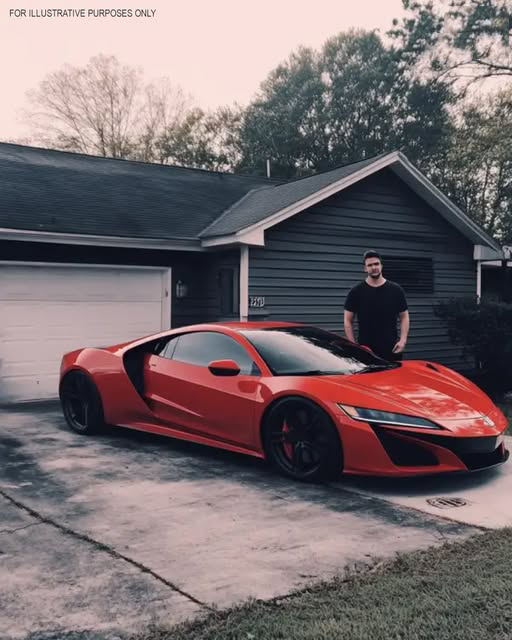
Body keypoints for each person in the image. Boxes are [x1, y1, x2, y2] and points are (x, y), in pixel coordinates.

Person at [344, 250, 409, 361]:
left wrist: (403, 340)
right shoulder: (356, 292)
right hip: (365, 351)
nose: (374, 267)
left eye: (376, 264)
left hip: (392, 349)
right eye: (370, 265)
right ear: (365, 269)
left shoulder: (396, 290)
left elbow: (404, 316)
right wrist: (353, 345)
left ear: (381, 266)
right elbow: (347, 320)